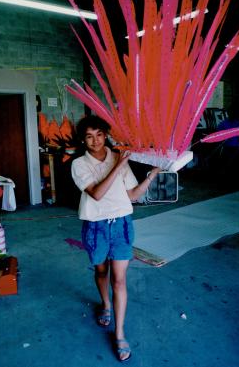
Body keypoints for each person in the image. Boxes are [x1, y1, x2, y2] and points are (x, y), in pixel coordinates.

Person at [71, 115, 160, 362]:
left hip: (121, 225)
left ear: (106, 134)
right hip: (96, 226)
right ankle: (105, 305)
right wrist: (118, 165)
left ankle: (119, 332)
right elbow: (97, 194)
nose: (95, 140)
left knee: (119, 281)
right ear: (83, 140)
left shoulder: (118, 159)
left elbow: (131, 195)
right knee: (101, 272)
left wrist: (151, 176)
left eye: (99, 134)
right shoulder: (79, 164)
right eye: (89, 136)